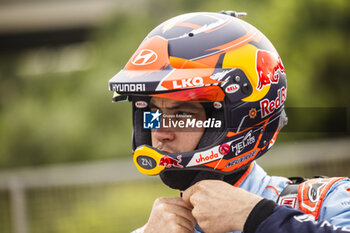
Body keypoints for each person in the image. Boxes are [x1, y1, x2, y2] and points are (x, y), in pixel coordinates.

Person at [108, 11, 350, 233]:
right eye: (153, 112)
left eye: (182, 114)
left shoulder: (329, 202)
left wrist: (257, 217)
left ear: (238, 118)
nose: (160, 133)